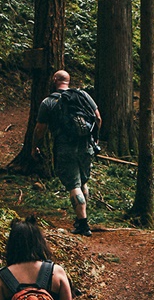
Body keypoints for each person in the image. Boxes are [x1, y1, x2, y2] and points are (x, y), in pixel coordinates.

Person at [31, 70, 102, 237]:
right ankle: (82, 218)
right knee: (83, 182)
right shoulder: (83, 95)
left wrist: (35, 146)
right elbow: (98, 118)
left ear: (54, 80)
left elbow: (40, 129)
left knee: (73, 185)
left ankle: (83, 224)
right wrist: (95, 138)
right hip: (86, 145)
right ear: (68, 81)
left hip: (65, 147)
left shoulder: (48, 102)